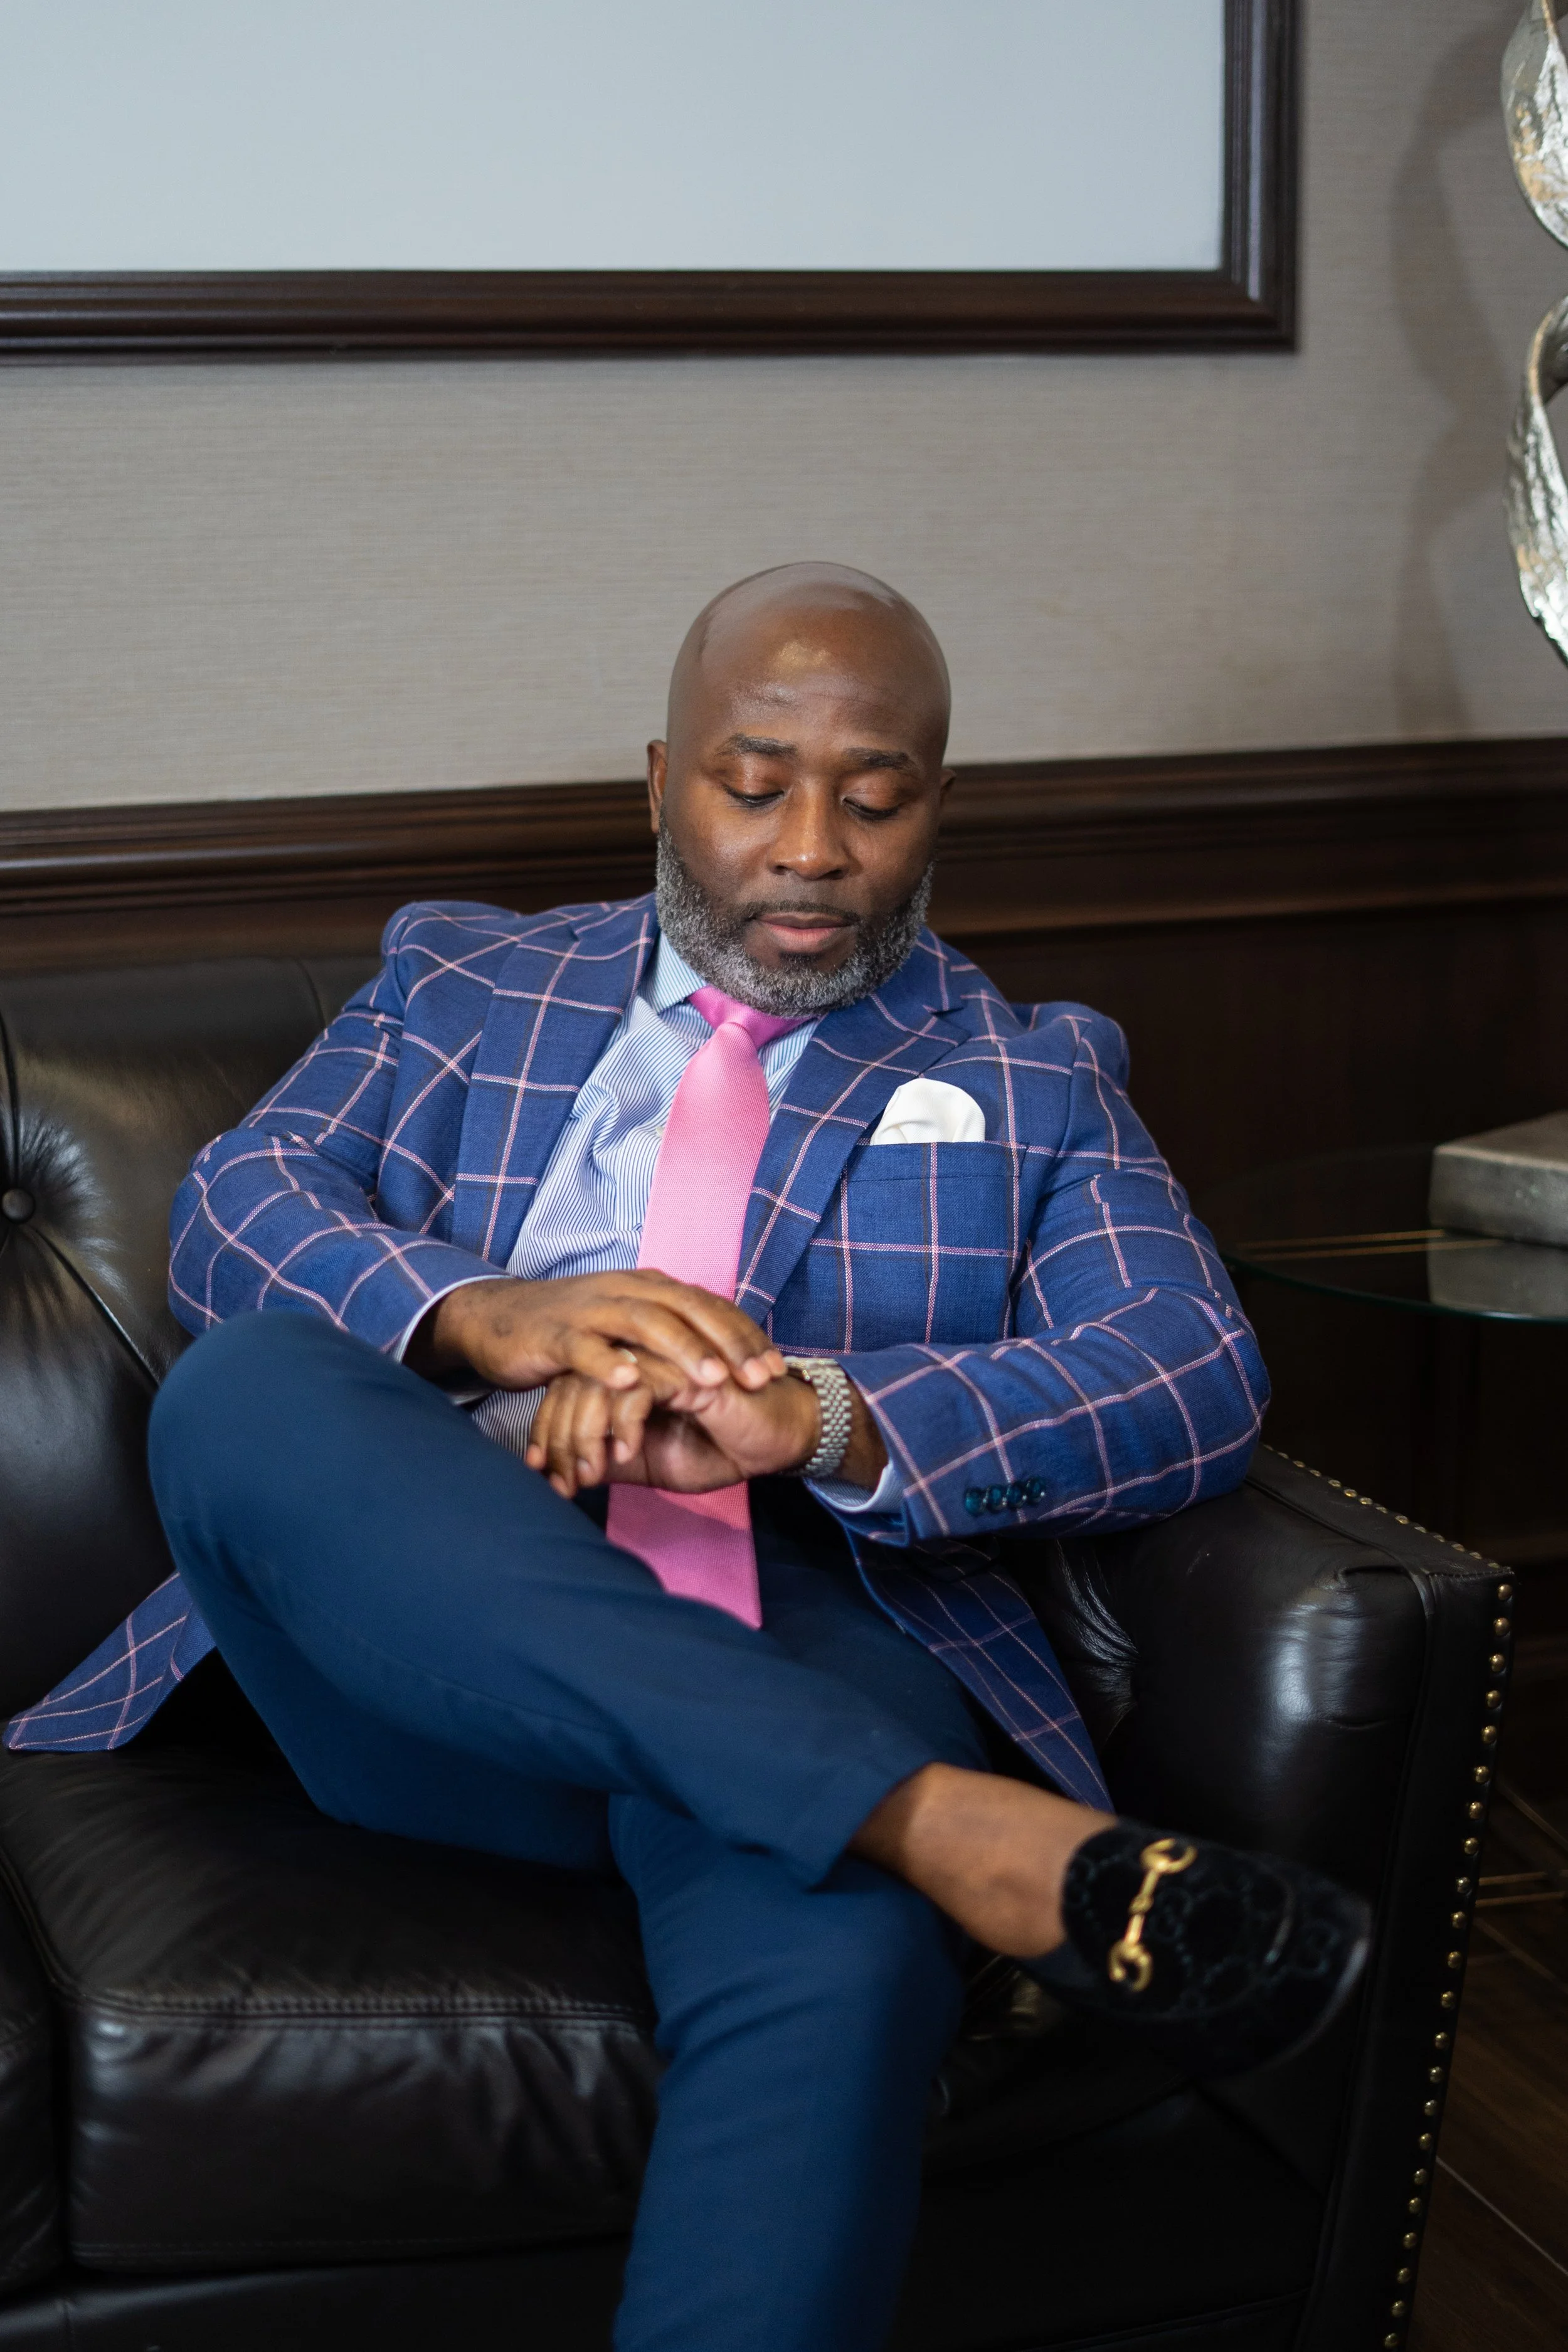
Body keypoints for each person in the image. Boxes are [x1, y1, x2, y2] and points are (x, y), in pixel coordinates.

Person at [6, 564, 1369, 2352]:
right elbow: (242, 1204)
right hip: (434, 1611)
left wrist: (824, 1415)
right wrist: (494, 1320)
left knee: (846, 1945)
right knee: (250, 1385)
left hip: (806, 1618)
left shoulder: (1029, 1079)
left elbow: (1187, 1367)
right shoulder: (463, 988)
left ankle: (876, 1829)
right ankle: (942, 1825)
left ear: (932, 807)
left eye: (872, 797)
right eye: (753, 784)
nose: (810, 845)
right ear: (660, 778)